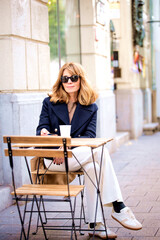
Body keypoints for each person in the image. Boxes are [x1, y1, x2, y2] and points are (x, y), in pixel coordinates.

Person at [36, 62, 142, 239]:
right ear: (60, 81)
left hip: (76, 155)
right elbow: (41, 128)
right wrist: (50, 139)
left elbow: (90, 137)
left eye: (73, 77)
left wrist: (66, 146)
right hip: (53, 160)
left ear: (81, 80)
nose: (69, 81)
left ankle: (95, 224)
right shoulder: (49, 102)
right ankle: (118, 206)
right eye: (65, 78)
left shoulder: (91, 107)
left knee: (94, 167)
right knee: (101, 152)